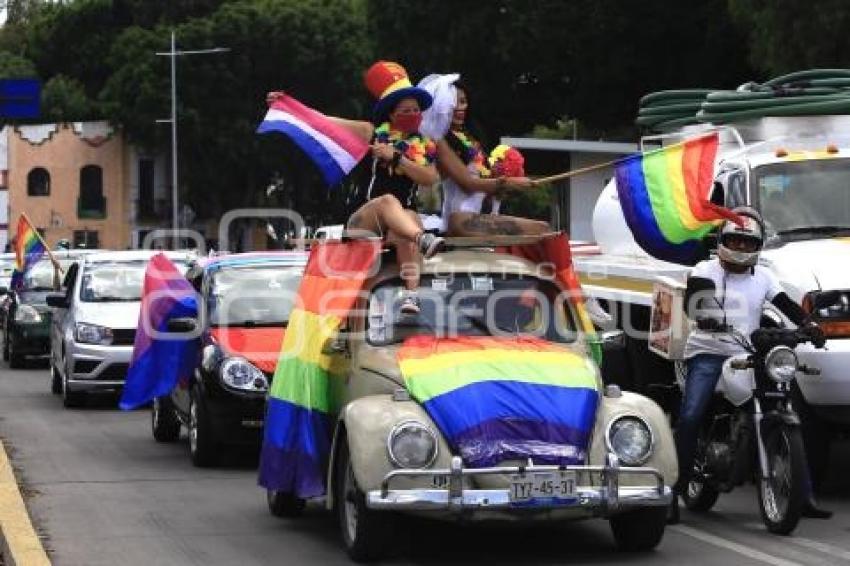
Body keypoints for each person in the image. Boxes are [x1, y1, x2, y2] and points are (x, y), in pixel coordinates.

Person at [669, 206, 830, 524]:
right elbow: (694, 302)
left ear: (757, 247)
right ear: (723, 240)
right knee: (690, 417)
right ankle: (671, 495)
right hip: (707, 352)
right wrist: (703, 316)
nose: (741, 248)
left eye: (748, 243)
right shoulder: (705, 269)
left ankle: (802, 495)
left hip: (746, 353)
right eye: (735, 241)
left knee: (785, 408)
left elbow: (786, 306)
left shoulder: (765, 277)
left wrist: (810, 326)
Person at [267, 61, 443, 314]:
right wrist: (290, 106)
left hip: (402, 219)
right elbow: (325, 122)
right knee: (387, 201)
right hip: (364, 220)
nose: (413, 115)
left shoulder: (424, 145)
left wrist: (396, 158)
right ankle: (422, 238)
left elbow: (429, 178)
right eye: (405, 111)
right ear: (391, 114)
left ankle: (411, 295)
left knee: (410, 219)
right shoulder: (371, 132)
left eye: (416, 110)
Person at [417, 74, 550, 236]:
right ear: (441, 106)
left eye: (464, 101)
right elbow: (468, 183)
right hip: (459, 221)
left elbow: (482, 186)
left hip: (479, 217)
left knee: (543, 227)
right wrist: (507, 183)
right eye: (454, 103)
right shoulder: (439, 142)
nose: (461, 107)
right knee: (542, 229)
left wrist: (499, 186)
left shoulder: (470, 138)